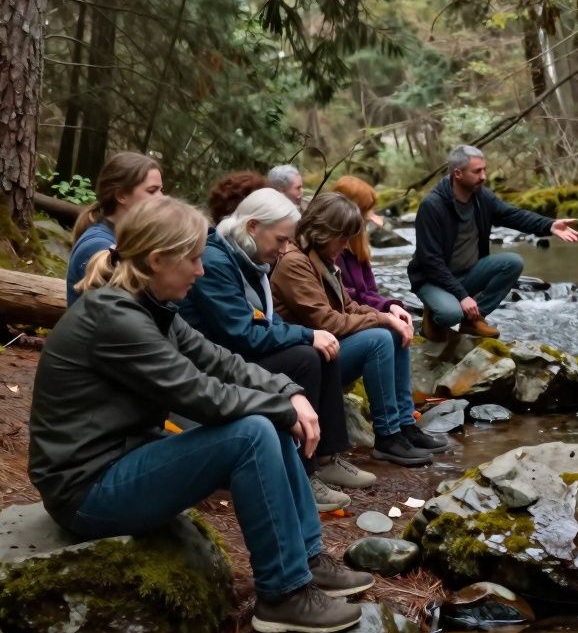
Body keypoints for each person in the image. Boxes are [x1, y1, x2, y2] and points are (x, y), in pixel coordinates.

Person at [30, 196, 373, 633]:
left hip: (122, 459)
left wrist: (287, 390)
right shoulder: (116, 319)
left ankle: (305, 560)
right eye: (192, 259)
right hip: (86, 492)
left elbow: (220, 360)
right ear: (156, 260)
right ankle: (283, 595)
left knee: (263, 420)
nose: (201, 270)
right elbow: (198, 393)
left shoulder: (147, 306)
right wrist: (281, 405)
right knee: (251, 432)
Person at [179, 188, 375, 510]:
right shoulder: (216, 262)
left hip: (232, 351)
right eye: (281, 240)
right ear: (253, 227)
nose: (285, 249)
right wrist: (307, 334)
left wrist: (310, 334)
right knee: (306, 357)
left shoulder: (243, 255)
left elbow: (257, 325)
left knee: (320, 350)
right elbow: (242, 332)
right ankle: (301, 472)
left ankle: (326, 456)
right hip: (213, 364)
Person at [270, 193, 446, 467]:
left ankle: (403, 425)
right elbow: (329, 323)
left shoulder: (320, 257)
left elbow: (349, 306)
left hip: (325, 353)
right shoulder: (295, 263)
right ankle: (387, 436)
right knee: (378, 338)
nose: (346, 246)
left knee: (393, 330)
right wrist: (382, 321)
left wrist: (388, 314)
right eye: (342, 238)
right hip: (305, 364)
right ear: (324, 231)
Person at [409, 144, 578, 341]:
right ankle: (433, 319)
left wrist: (549, 225)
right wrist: (463, 296)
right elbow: (430, 261)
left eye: (484, 170)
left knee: (512, 262)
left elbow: (512, 215)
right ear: (457, 173)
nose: (484, 176)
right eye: (477, 171)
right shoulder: (432, 206)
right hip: (433, 279)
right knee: (451, 314)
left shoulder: (481, 197)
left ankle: (473, 319)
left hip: (468, 274)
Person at [65, 152, 163, 305]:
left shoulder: (125, 240)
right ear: (122, 195)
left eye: (161, 190)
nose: (161, 198)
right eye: (152, 191)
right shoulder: (98, 247)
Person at [328, 175, 411, 324]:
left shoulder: (358, 245)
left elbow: (370, 290)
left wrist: (390, 305)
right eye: (365, 210)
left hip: (363, 311)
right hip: (344, 319)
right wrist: (384, 312)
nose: (369, 217)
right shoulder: (332, 251)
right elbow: (348, 299)